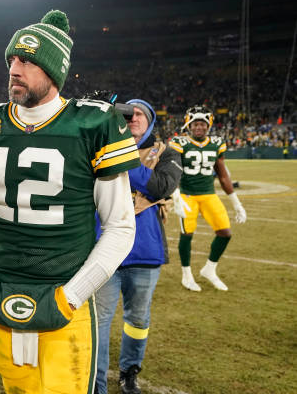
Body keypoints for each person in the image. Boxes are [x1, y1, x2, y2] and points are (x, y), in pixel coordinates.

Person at [0, 10, 140, 394]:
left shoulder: (93, 123)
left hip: (64, 291)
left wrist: (73, 295)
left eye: (26, 60)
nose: (14, 68)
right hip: (3, 289)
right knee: (17, 388)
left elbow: (121, 226)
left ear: (53, 71)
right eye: (11, 59)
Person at [94, 99, 183, 394]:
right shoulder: (97, 145)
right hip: (103, 249)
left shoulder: (166, 153)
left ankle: (129, 372)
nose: (133, 118)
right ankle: (96, 383)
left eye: (140, 114)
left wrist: (118, 155)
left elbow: (160, 187)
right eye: (127, 114)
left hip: (145, 252)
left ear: (151, 122)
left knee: (138, 319)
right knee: (99, 321)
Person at [169, 105, 247, 292]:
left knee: (225, 233)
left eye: (203, 124)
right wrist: (176, 196)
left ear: (209, 125)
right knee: (187, 234)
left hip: (209, 194)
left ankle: (209, 269)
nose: (199, 127)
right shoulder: (179, 143)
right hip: (187, 195)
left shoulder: (217, 143)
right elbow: (172, 172)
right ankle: (186, 275)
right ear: (189, 125)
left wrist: (237, 203)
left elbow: (223, 175)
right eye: (195, 123)